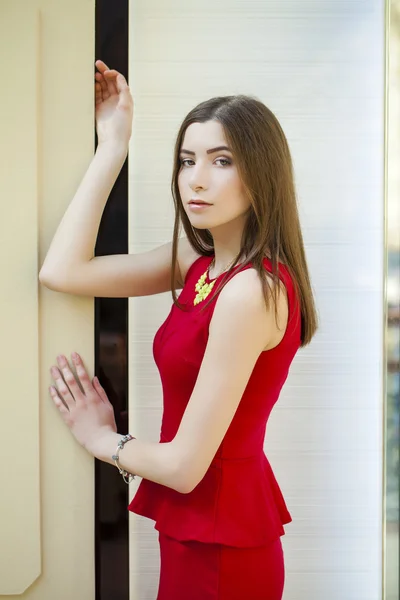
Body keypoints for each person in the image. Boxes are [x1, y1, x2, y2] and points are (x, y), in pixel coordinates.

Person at [39, 59, 318, 600]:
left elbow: (186, 467)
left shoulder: (250, 291)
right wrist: (113, 147)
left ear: (261, 173)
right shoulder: (199, 263)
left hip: (224, 550)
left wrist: (102, 438)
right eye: (187, 160)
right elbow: (62, 272)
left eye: (221, 160)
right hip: (198, 534)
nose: (196, 177)